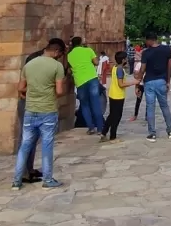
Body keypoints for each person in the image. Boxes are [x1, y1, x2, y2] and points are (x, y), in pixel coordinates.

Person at [12, 39, 67, 189]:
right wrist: (48, 93)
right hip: (47, 109)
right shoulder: (57, 66)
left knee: (25, 144)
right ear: (56, 52)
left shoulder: (29, 65)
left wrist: (32, 92)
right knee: (47, 145)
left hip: (30, 109)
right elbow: (60, 91)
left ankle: (16, 180)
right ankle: (48, 179)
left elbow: (20, 87)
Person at [138, 31, 171, 142]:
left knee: (150, 107)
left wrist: (138, 80)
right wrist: (168, 80)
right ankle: (170, 130)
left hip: (149, 82)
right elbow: (170, 66)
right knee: (164, 106)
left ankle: (152, 133)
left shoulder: (146, 53)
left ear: (149, 40)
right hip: (161, 80)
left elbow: (143, 68)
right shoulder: (166, 49)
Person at [67, 36, 104, 135]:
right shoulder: (88, 50)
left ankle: (91, 127)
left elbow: (69, 70)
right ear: (81, 43)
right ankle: (100, 129)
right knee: (95, 103)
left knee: (84, 105)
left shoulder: (69, 55)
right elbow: (96, 62)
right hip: (92, 78)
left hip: (80, 81)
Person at [100, 51, 136, 142]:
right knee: (116, 117)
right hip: (118, 96)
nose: (127, 60)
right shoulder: (120, 69)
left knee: (112, 115)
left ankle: (104, 132)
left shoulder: (115, 67)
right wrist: (133, 82)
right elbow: (121, 84)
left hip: (113, 94)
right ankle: (113, 136)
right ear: (123, 60)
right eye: (126, 58)